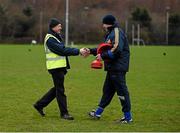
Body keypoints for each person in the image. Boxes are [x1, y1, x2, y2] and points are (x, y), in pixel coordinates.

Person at [33, 18, 87, 120]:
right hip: (55, 67)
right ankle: (64, 113)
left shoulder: (55, 36)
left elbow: (63, 50)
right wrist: (78, 51)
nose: (61, 27)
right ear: (53, 27)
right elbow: (62, 50)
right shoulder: (50, 39)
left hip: (59, 67)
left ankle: (39, 105)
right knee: (60, 90)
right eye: (59, 26)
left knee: (57, 89)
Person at [86, 14, 133, 124]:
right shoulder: (110, 34)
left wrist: (103, 57)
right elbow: (104, 48)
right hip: (112, 67)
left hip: (118, 67)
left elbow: (117, 49)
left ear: (106, 24)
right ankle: (97, 113)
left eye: (103, 23)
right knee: (107, 91)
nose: (102, 26)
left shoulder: (116, 32)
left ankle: (128, 117)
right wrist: (90, 51)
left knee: (122, 92)